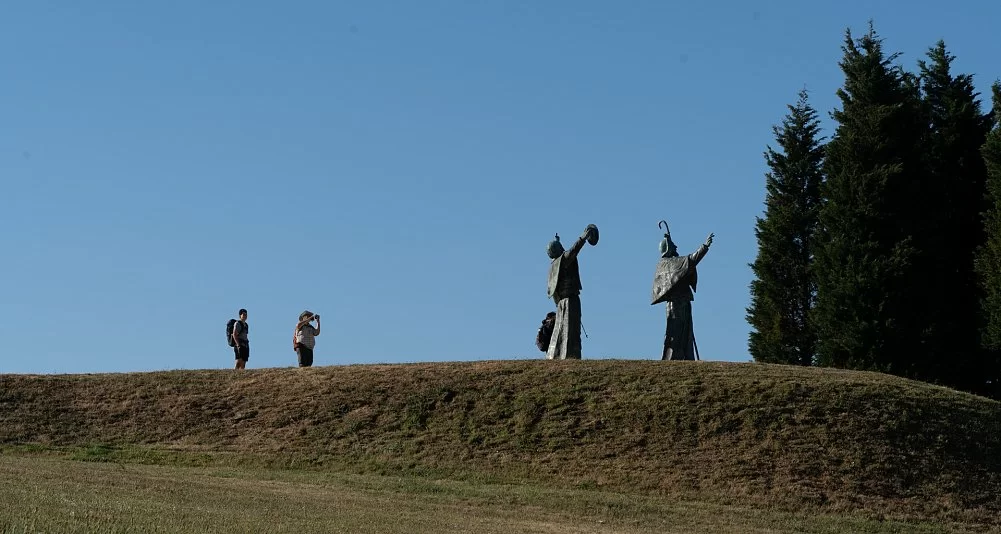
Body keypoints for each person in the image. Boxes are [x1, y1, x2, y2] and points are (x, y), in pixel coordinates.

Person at [650, 222, 714, 360]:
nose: (676, 247)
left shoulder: (673, 263)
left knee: (686, 332)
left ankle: (686, 356)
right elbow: (691, 260)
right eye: (673, 245)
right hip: (675, 304)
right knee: (676, 333)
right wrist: (704, 247)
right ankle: (672, 358)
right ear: (668, 248)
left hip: (683, 302)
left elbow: (685, 267)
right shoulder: (667, 264)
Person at [545, 224, 598, 360]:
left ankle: (555, 355)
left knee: (561, 329)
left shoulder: (553, 267)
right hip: (570, 300)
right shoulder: (563, 261)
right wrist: (584, 236)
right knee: (570, 330)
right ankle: (570, 355)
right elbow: (574, 250)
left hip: (560, 303)